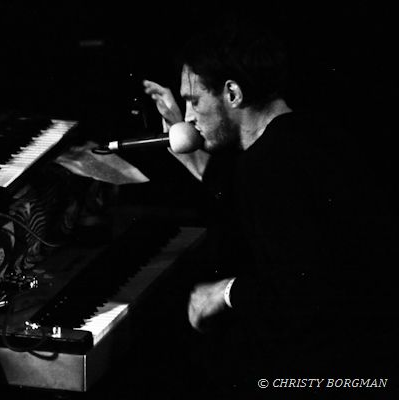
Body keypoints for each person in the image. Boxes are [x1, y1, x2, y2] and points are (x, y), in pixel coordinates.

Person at [143, 20, 399, 395]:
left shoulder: (268, 167)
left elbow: (304, 293)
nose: (191, 117)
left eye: (194, 101)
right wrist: (179, 125)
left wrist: (223, 293)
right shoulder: (313, 133)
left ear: (232, 93)